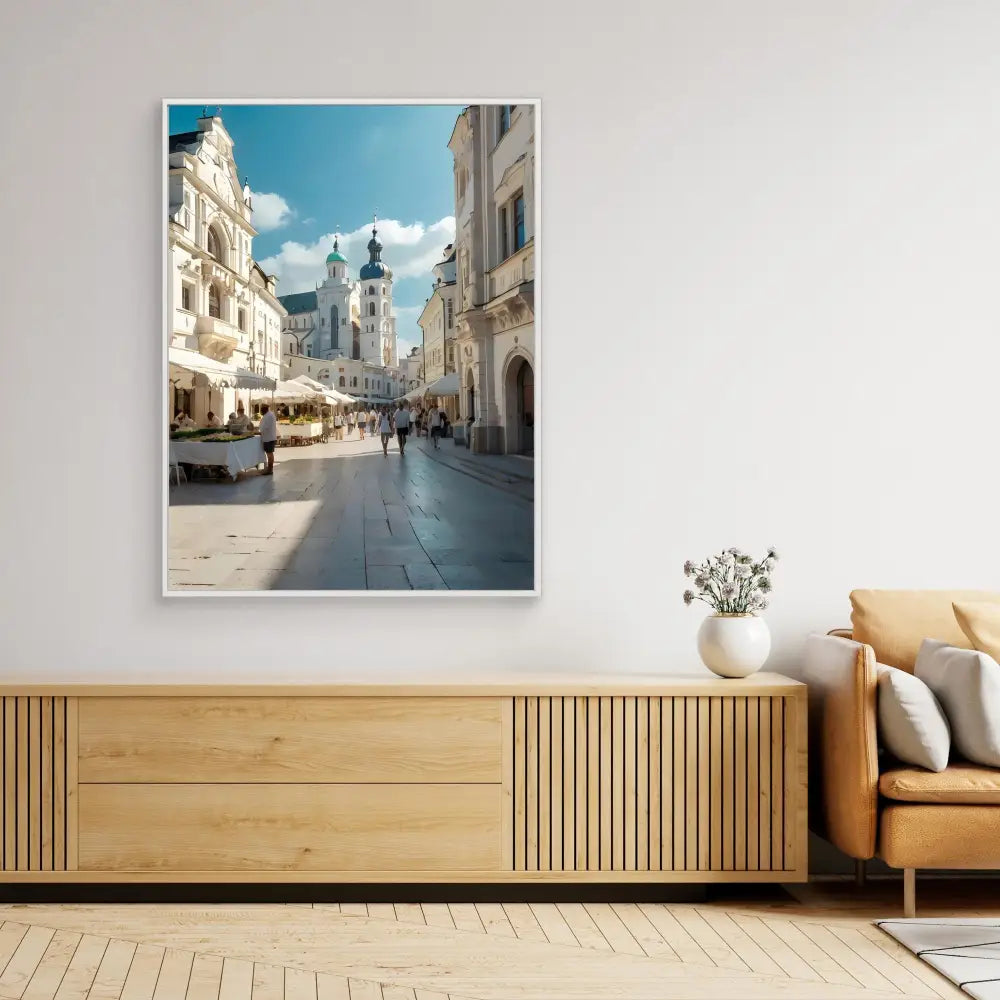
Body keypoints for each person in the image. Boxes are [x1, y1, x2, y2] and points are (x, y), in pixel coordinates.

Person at [258, 404, 277, 475]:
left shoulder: (268, 416)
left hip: (269, 438)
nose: (260, 411)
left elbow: (265, 427)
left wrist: (258, 431)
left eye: (261, 410)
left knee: (269, 454)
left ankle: (270, 469)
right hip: (268, 437)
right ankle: (269, 468)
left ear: (264, 409)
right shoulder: (269, 415)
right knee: (269, 454)